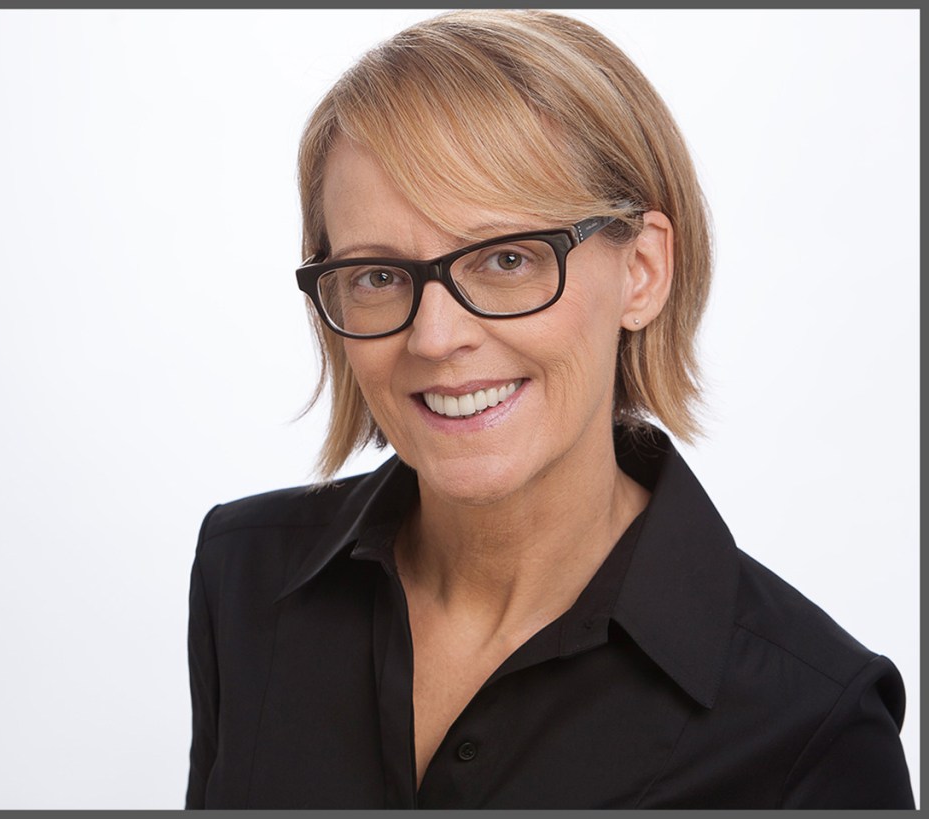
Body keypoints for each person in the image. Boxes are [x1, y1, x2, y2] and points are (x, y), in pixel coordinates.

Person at [186, 10, 914, 809]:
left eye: (507, 258)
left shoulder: (809, 724)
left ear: (641, 269)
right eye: (378, 275)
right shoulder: (244, 576)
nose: (436, 337)